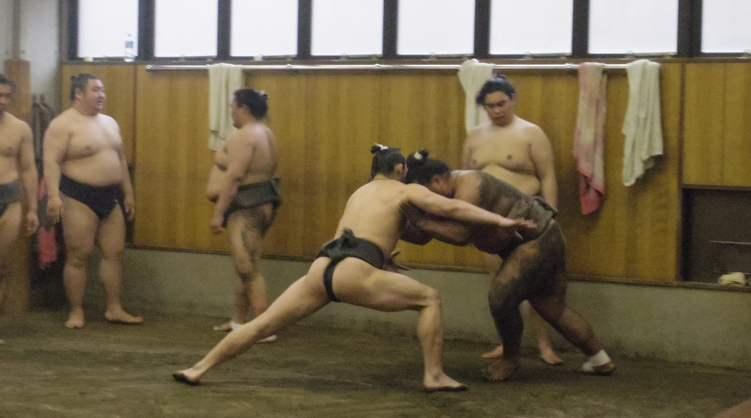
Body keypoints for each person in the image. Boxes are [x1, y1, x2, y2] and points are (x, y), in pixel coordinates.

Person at [173, 144, 534, 392]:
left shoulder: (359, 193)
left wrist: (382, 258)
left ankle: (198, 368)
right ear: (399, 170)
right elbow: (454, 210)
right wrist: (500, 222)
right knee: (429, 299)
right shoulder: (403, 191)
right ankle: (434, 374)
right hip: (355, 273)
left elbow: (356, 235)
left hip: (322, 267)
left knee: (261, 324)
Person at [404, 150, 614, 381]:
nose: (426, 201)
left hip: (537, 238)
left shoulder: (470, 184)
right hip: (542, 237)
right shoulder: (446, 196)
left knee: (500, 297)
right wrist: (396, 222)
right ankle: (600, 360)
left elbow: (461, 234)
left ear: (437, 180)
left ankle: (510, 359)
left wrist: (421, 220)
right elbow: (423, 235)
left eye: (425, 193)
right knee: (553, 309)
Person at [461, 74, 563, 365]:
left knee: (531, 283)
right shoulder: (475, 136)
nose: (497, 110)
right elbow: (465, 179)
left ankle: (544, 344)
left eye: (502, 103)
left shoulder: (531, 133)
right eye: (490, 106)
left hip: (526, 217)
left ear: (513, 100)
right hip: (488, 222)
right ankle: (506, 345)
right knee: (499, 286)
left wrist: (551, 217)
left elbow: (548, 176)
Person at [42, 73, 141, 329]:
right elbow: (51, 161)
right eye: (95, 90)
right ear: (78, 94)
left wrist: (128, 193)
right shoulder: (63, 124)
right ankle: (76, 311)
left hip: (110, 195)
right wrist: (54, 195)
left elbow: (120, 159)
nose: (101, 95)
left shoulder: (110, 122)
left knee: (114, 253)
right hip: (78, 195)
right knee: (78, 255)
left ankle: (114, 308)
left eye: (103, 90)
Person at [208, 89, 280, 341]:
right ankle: (239, 321)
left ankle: (263, 327)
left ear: (244, 109)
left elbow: (235, 176)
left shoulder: (246, 135)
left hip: (247, 205)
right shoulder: (265, 132)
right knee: (245, 265)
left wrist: (219, 212)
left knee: (248, 268)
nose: (231, 112)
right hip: (262, 202)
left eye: (232, 107)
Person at [0, 72, 39, 344]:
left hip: (7, 199)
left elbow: (29, 169)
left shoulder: (19, 129)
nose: (2, 101)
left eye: (7, 96)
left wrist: (32, 209)